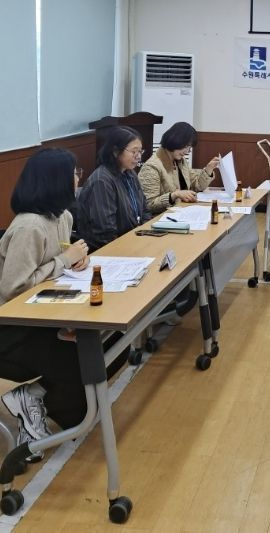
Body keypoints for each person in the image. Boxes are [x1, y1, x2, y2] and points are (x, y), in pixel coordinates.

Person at [0, 148, 90, 463]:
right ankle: (31, 410)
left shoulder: (63, 216)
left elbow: (57, 260)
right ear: (55, 180)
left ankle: (31, 396)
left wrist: (75, 261)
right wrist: (65, 260)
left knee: (104, 341)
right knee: (74, 355)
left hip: (40, 315)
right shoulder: (29, 227)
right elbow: (14, 289)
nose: (78, 178)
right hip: (12, 328)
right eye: (74, 173)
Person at [76, 126, 152, 251]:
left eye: (140, 151)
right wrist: (133, 248)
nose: (139, 157)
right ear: (116, 151)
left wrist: (145, 236)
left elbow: (145, 210)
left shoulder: (130, 173)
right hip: (109, 250)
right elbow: (105, 233)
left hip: (134, 240)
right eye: (134, 152)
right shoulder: (102, 181)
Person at [138, 121, 220, 214]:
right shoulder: (152, 167)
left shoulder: (181, 161)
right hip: (162, 218)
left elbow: (196, 186)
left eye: (190, 148)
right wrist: (174, 195)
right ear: (175, 140)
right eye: (186, 146)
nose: (187, 152)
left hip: (180, 212)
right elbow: (149, 205)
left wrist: (208, 169)